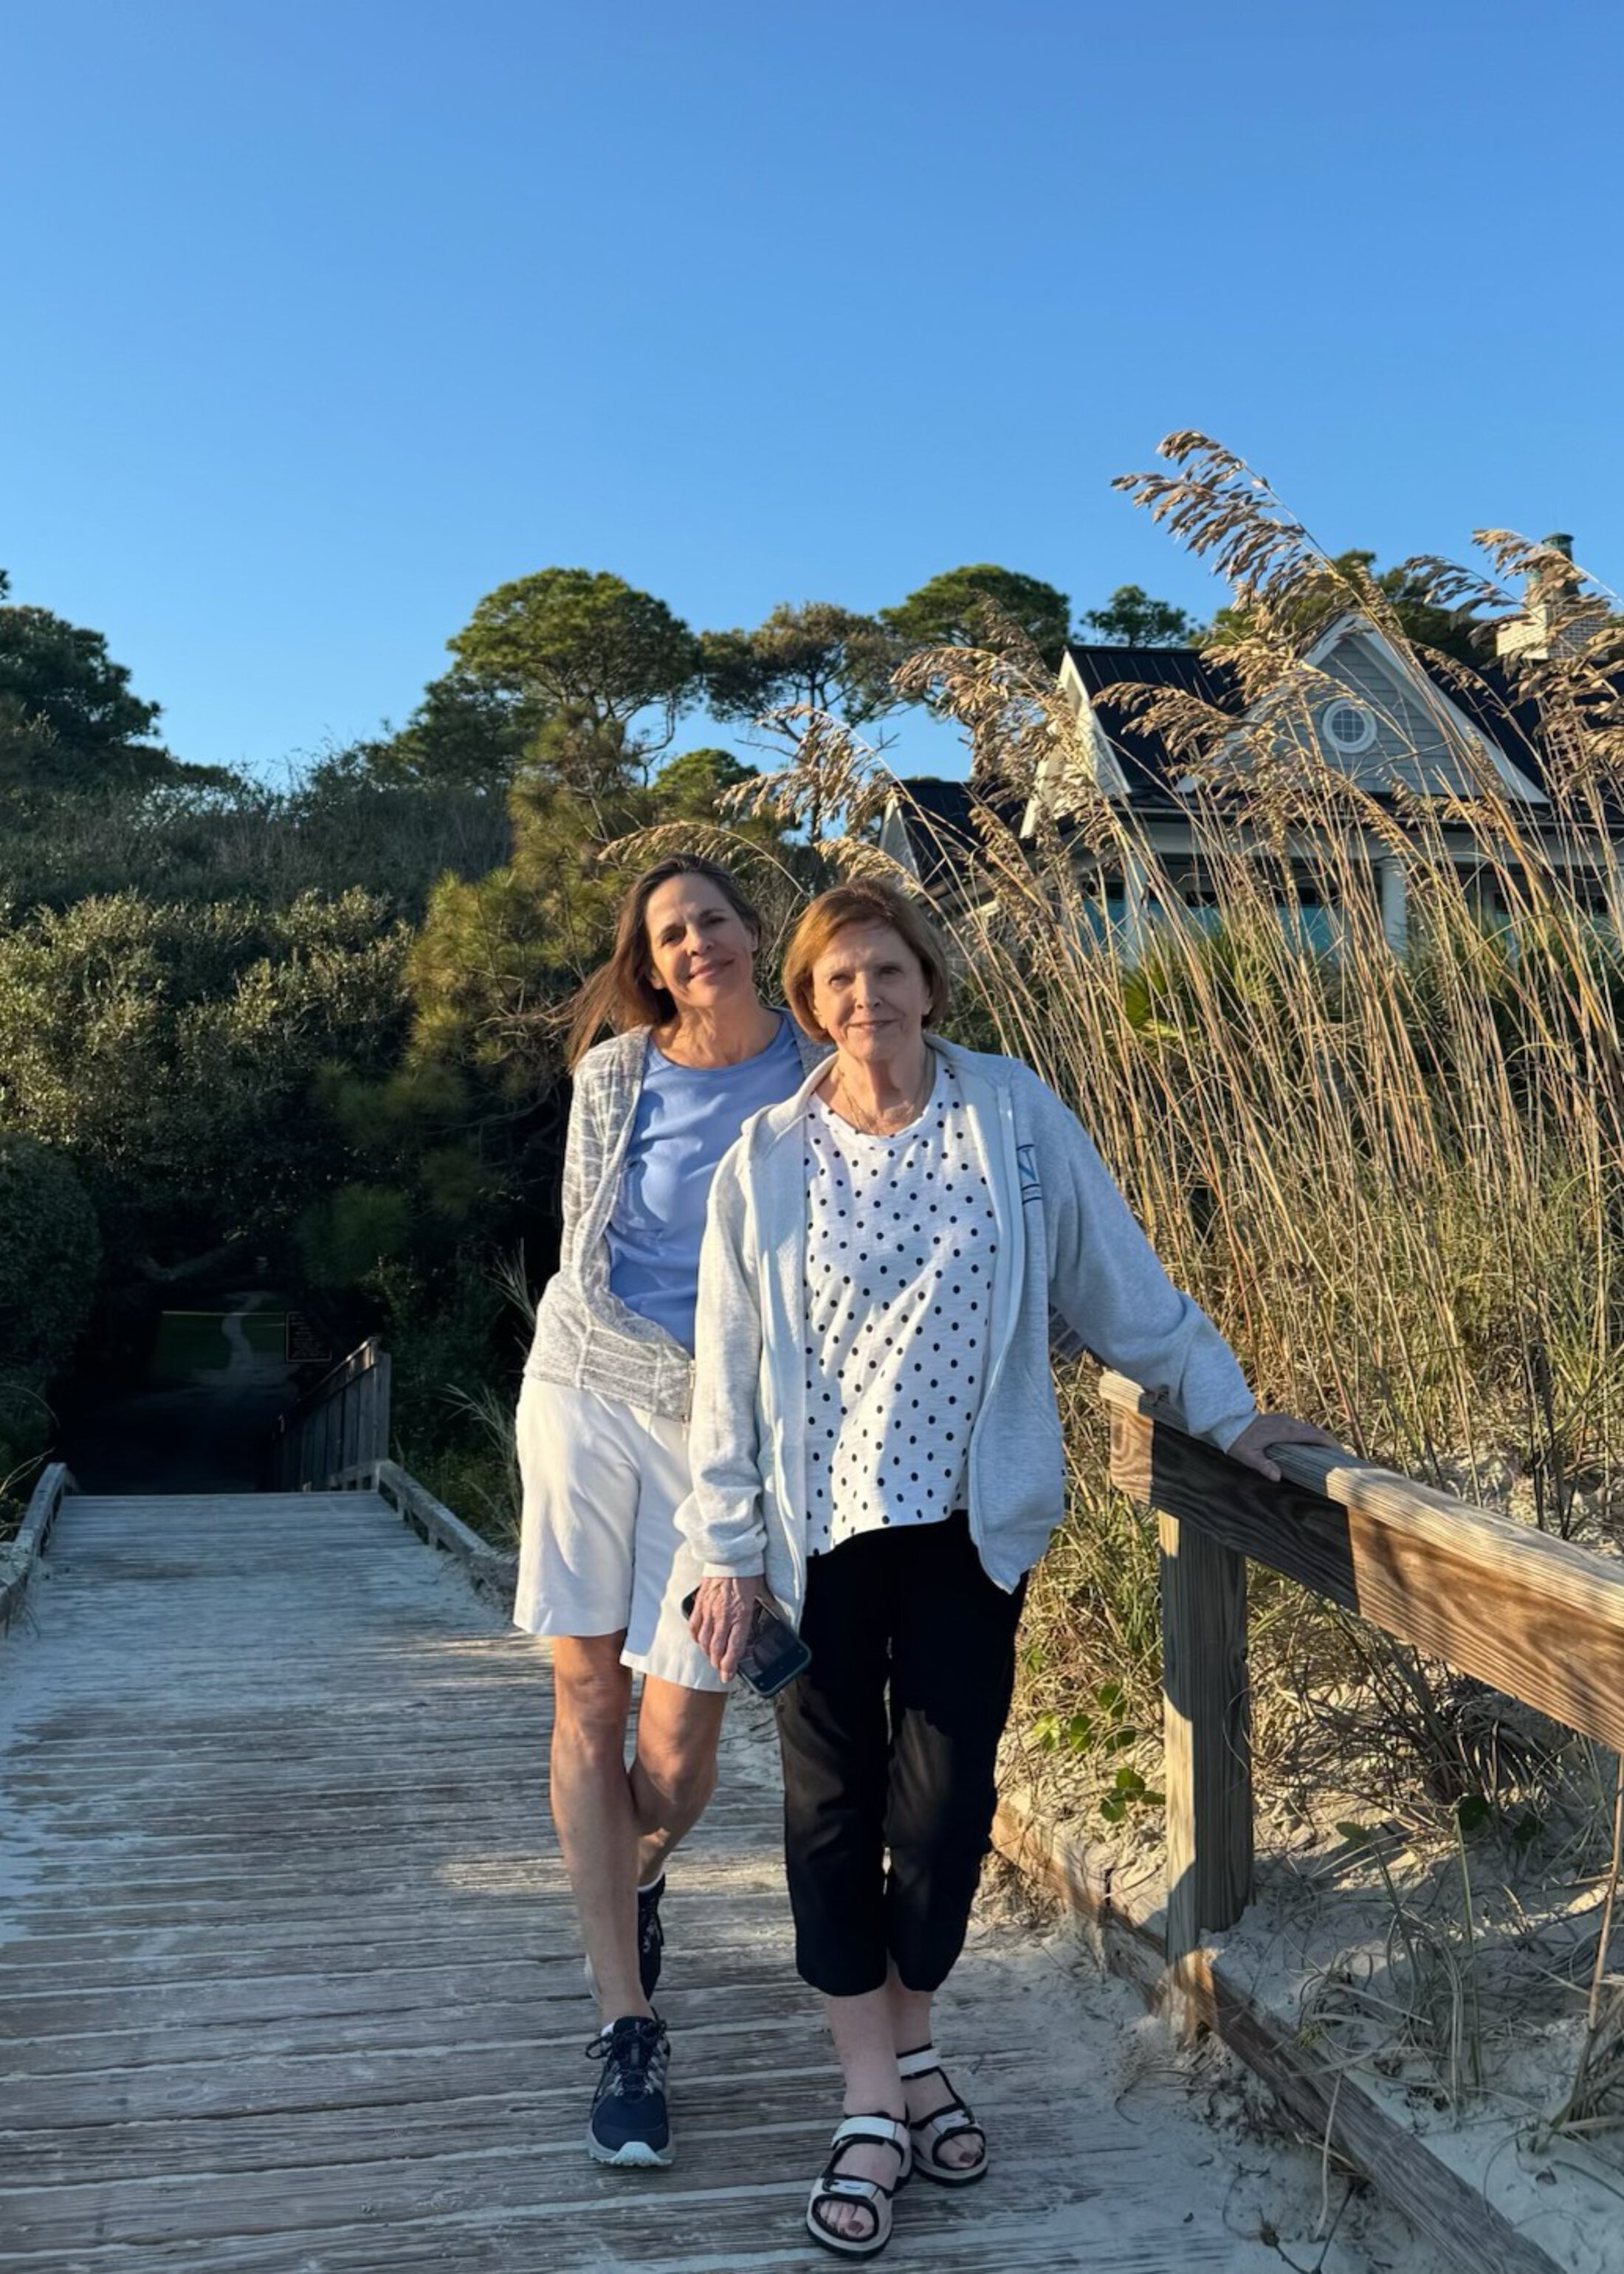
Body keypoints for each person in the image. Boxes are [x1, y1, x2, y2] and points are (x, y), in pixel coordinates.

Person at [684, 879, 1332, 2258]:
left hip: (972, 1528)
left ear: (931, 980)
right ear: (810, 1005)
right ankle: (876, 2095)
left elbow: (1122, 1289)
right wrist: (724, 1550)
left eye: (891, 970)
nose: (870, 998)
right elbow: (725, 1387)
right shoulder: (767, 1159)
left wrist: (1222, 1410)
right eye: (841, 980)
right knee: (828, 1813)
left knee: (944, 1808)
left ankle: (911, 2047)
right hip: (815, 1539)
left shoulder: (1013, 1118)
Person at [515, 853, 827, 2170]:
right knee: (584, 1697)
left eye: (712, 919)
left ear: (755, 933)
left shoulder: (824, 1069)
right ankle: (624, 2026)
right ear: (650, 965)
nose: (696, 944)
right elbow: (586, 1266)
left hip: (728, 1453)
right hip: (588, 1396)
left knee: (680, 1753)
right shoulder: (617, 1077)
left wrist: (731, 1428)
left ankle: (637, 1873)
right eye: (669, 934)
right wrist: (685, 1391)